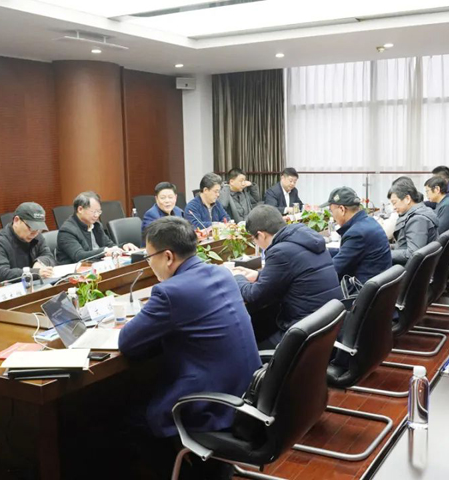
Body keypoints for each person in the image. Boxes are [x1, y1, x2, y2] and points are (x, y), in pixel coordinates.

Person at [119, 216, 260, 475]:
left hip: (212, 404)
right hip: (247, 392)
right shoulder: (222, 273)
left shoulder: (170, 292)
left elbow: (127, 342)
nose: (149, 264)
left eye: (149, 257)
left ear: (168, 257)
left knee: (133, 418)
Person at [232, 205, 342, 348]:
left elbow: (254, 296)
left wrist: (238, 278)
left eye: (254, 239)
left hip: (305, 333)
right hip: (328, 326)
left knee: (247, 345)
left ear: (261, 235)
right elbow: (295, 271)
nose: (256, 243)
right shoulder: (307, 238)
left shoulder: (280, 251)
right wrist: (258, 275)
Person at [322, 187, 392, 284]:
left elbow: (334, 271)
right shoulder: (369, 222)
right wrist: (324, 252)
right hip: (376, 287)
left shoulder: (356, 233)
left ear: (342, 209)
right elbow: (345, 253)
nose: (332, 216)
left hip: (360, 290)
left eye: (331, 211)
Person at [56, 191, 138, 264]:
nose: (96, 215)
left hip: (95, 266)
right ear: (80, 209)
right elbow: (79, 256)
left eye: (99, 212)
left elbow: (109, 245)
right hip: (74, 273)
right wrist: (104, 252)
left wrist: (122, 246)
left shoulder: (96, 225)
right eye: (94, 212)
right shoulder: (67, 231)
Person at [0, 202, 56, 283]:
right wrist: (33, 273)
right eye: (31, 227)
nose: (35, 233)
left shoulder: (37, 236)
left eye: (39, 229)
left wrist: (40, 262)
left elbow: (49, 256)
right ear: (16, 220)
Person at [387, 181, 439, 265]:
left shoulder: (418, 220)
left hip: (407, 270)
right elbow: (404, 244)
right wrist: (386, 248)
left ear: (407, 199)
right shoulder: (423, 210)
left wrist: (383, 254)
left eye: (394, 203)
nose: (394, 208)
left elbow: (412, 254)